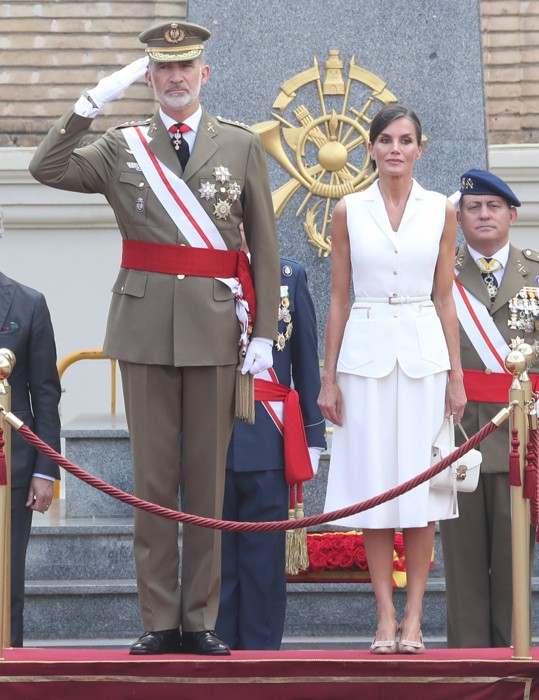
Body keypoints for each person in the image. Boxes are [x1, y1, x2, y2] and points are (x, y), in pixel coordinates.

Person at [29, 20, 280, 656]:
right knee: (150, 482)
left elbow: (265, 245)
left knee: (205, 483)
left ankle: (199, 619)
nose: (174, 78)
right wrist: (93, 102)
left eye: (184, 67)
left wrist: (266, 336)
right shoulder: (123, 146)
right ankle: (159, 618)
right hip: (143, 331)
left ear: (204, 73)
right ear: (149, 77)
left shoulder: (240, 144)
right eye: (161, 69)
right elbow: (46, 167)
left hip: (216, 330)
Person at [318, 104, 466, 655]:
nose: (395, 149)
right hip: (366, 354)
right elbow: (337, 298)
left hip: (426, 358)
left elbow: (445, 296)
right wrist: (327, 378)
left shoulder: (440, 211)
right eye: (385, 140)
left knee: (422, 492)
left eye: (406, 140)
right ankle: (383, 615)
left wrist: (456, 375)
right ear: (372, 149)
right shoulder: (348, 210)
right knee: (378, 491)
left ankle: (414, 619)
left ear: (420, 148)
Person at [440, 168, 539, 648]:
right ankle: (468, 666)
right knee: (462, 566)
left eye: (492, 206)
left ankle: (513, 663)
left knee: (515, 561)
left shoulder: (536, 273)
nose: (483, 214)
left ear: (512, 215)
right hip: (459, 435)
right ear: (459, 218)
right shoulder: (440, 273)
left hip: (522, 438)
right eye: (473, 207)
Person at [215, 257, 326, 650]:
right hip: (211, 432)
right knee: (214, 560)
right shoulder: (203, 266)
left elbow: (305, 356)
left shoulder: (288, 275)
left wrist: (313, 434)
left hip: (269, 433)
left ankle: (261, 657)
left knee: (264, 563)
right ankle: (217, 649)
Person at [0, 228, 61, 646]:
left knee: (7, 582)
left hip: (12, 468)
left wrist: (46, 470)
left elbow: (45, 394)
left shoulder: (28, 303)